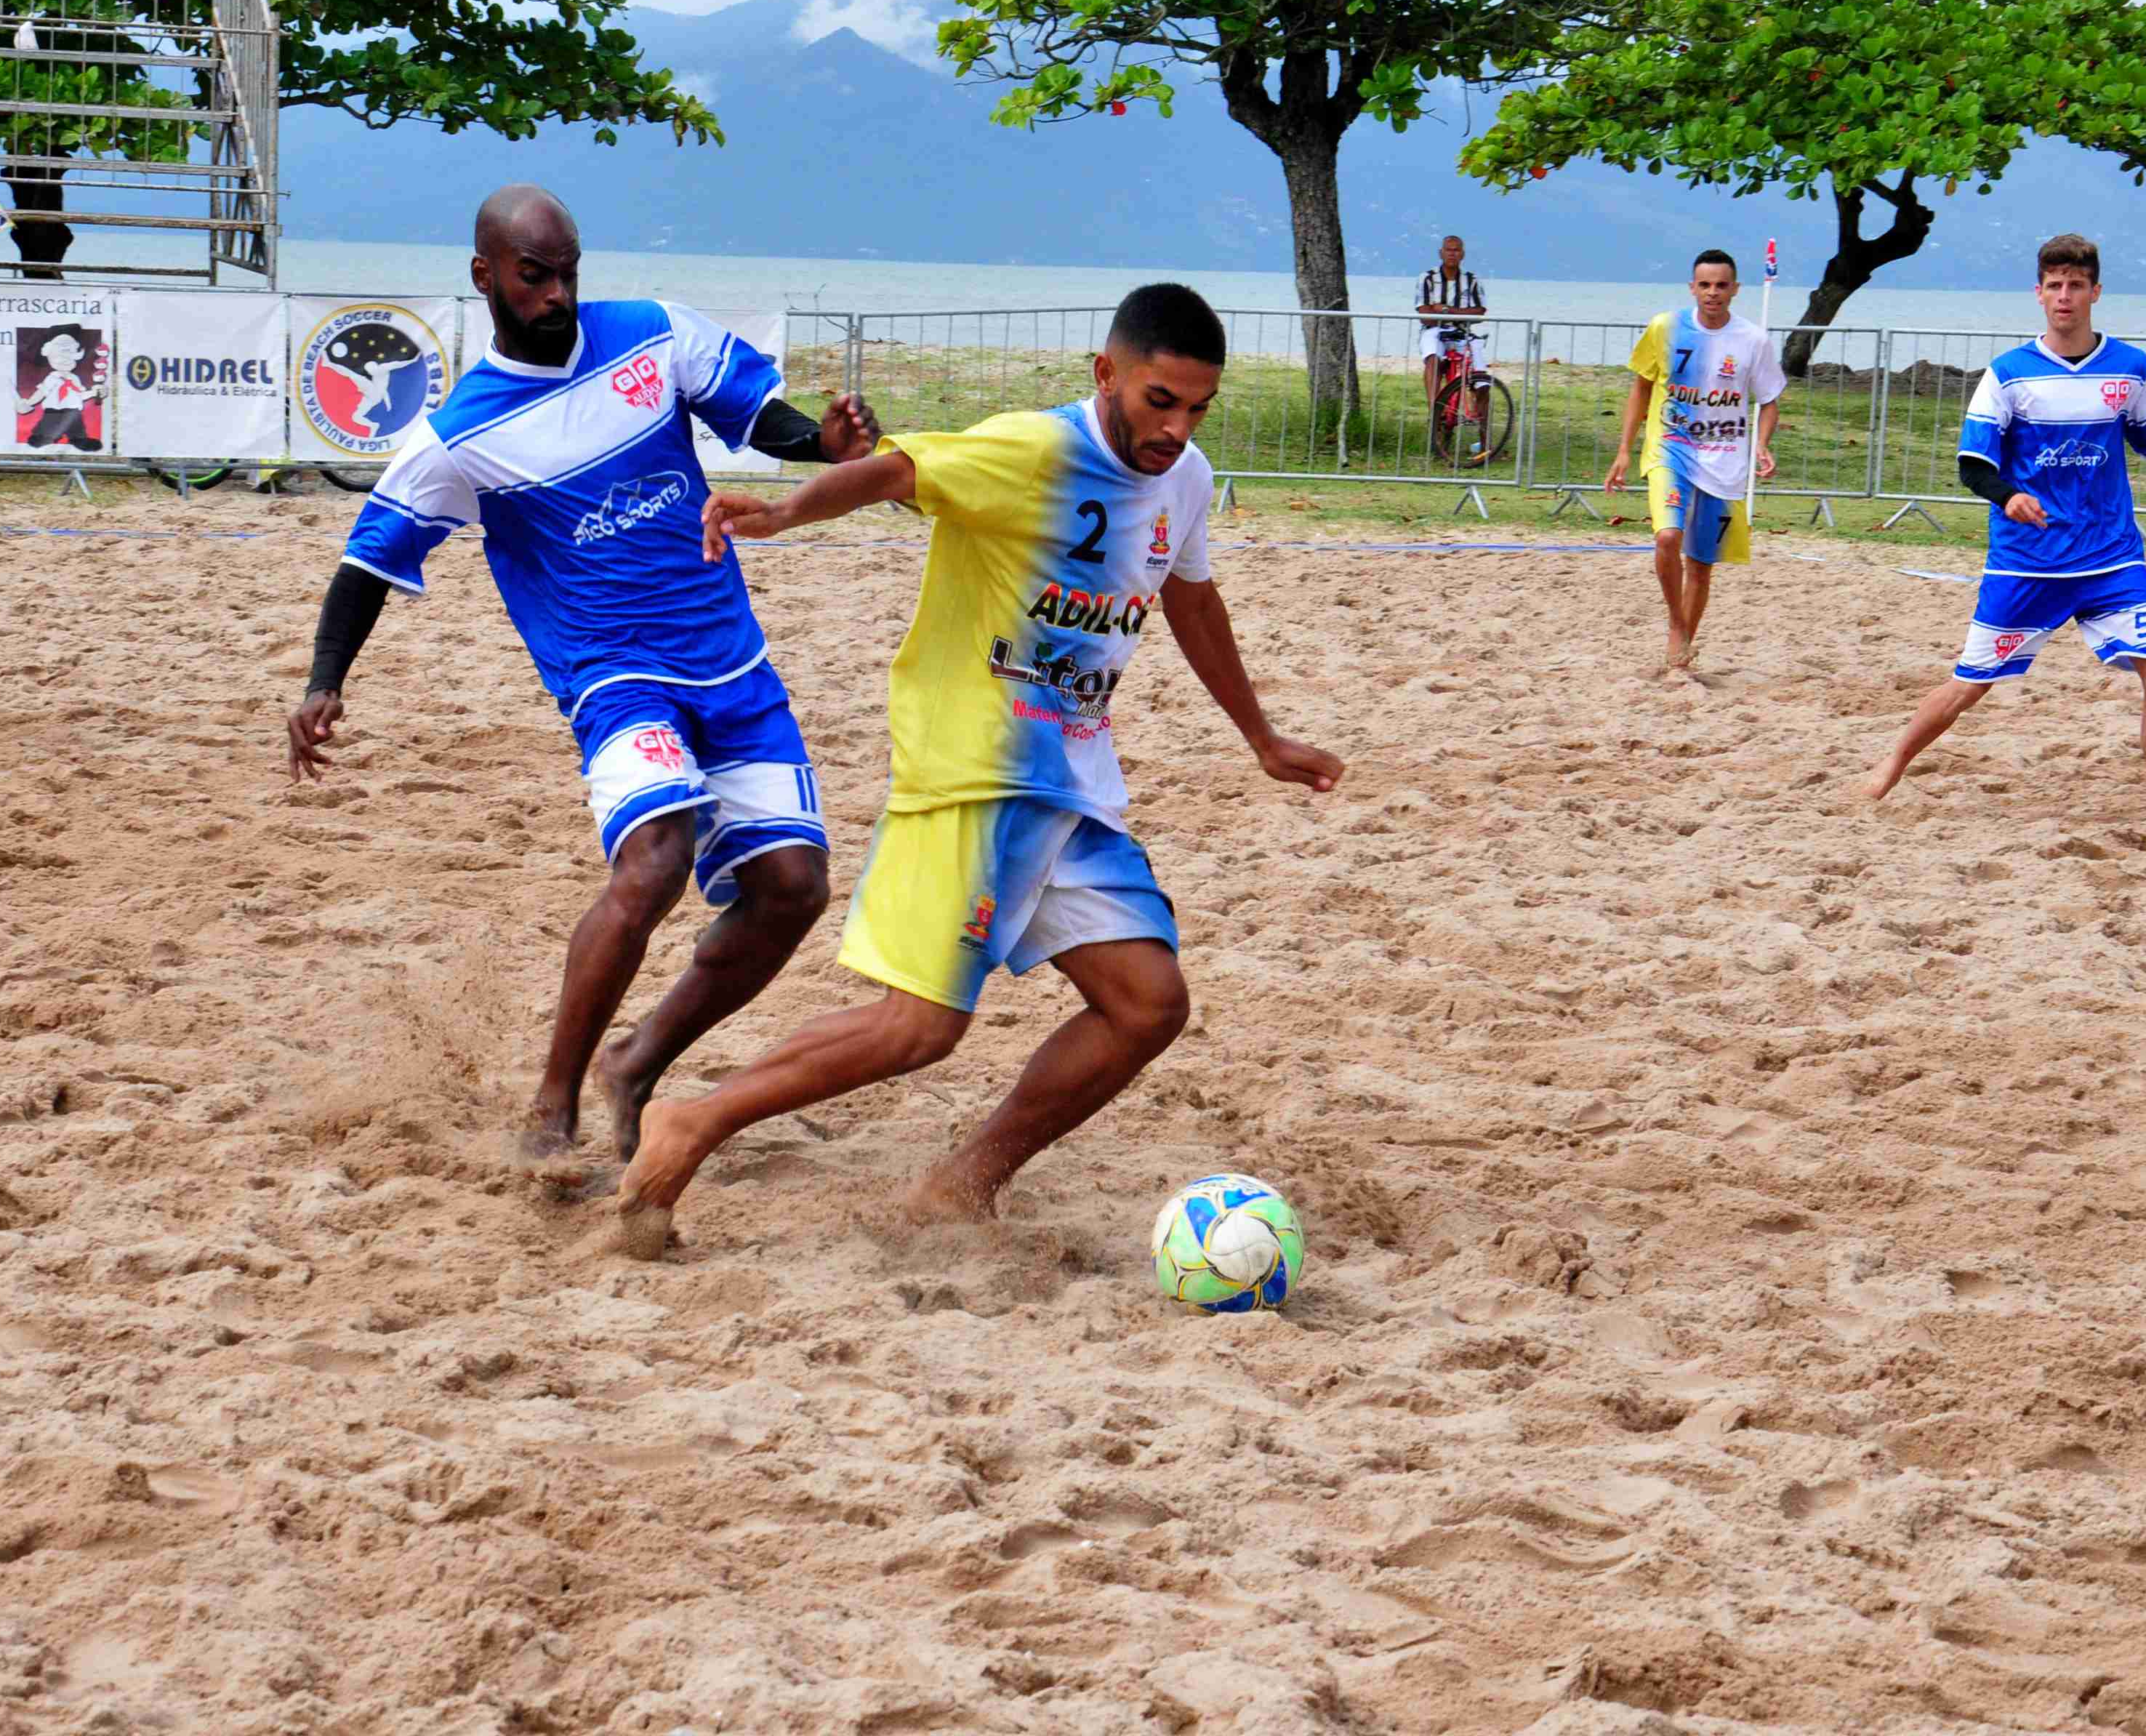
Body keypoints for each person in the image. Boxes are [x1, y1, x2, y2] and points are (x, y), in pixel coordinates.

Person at [616, 283, 1346, 1253]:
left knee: (1147, 1005)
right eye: (1159, 402)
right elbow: (895, 470)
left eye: (1198, 407)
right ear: (1107, 375)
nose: (1177, 428)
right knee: (920, 1028)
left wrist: (1260, 736)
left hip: (1074, 786)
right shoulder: (1035, 450)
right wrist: (789, 512)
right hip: (977, 770)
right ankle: (691, 1121)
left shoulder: (1185, 478)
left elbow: (1192, 601)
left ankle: (963, 1184)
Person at [288, 185, 882, 1162]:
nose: (558, 291)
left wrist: (824, 441)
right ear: (485, 276)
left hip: (730, 664)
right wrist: (324, 679)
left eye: (569, 270)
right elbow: (366, 560)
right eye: (535, 274)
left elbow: (763, 418)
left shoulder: (653, 335)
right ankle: (551, 1109)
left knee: (794, 887)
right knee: (656, 860)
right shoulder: (458, 435)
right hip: (614, 677)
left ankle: (636, 1061)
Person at [1861, 233, 2146, 821]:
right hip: (2028, 562)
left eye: (2077, 285)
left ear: (2095, 292)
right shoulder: (2009, 374)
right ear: (2039, 294)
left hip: (2111, 558)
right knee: (1971, 683)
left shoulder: (2131, 369)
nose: (2066, 297)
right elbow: (1973, 466)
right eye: (2055, 286)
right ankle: (1894, 761)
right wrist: (2011, 495)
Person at [1605, 249, 1787, 674]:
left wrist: (1762, 444)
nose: (1713, 293)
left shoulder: (1753, 341)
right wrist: (1624, 451)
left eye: (1721, 285)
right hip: (1670, 448)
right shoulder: (1665, 328)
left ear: (1735, 290)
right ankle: (1675, 626)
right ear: (1692, 288)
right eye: (1705, 285)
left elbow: (1771, 401)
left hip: (1723, 459)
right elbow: (1641, 389)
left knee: (1701, 567)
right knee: (1668, 537)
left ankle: (1685, 643)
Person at [1415, 233, 1488, 422]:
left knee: (1481, 376)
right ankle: (1435, 412)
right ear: (1441, 253)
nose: (1452, 254)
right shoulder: (1428, 278)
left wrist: (1447, 310)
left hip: (1463, 333)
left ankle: (1485, 432)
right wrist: (1463, 313)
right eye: (1448, 250)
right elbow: (1425, 315)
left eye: (1456, 250)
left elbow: (1480, 311)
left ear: (1462, 255)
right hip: (1435, 331)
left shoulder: (1472, 280)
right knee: (1433, 358)